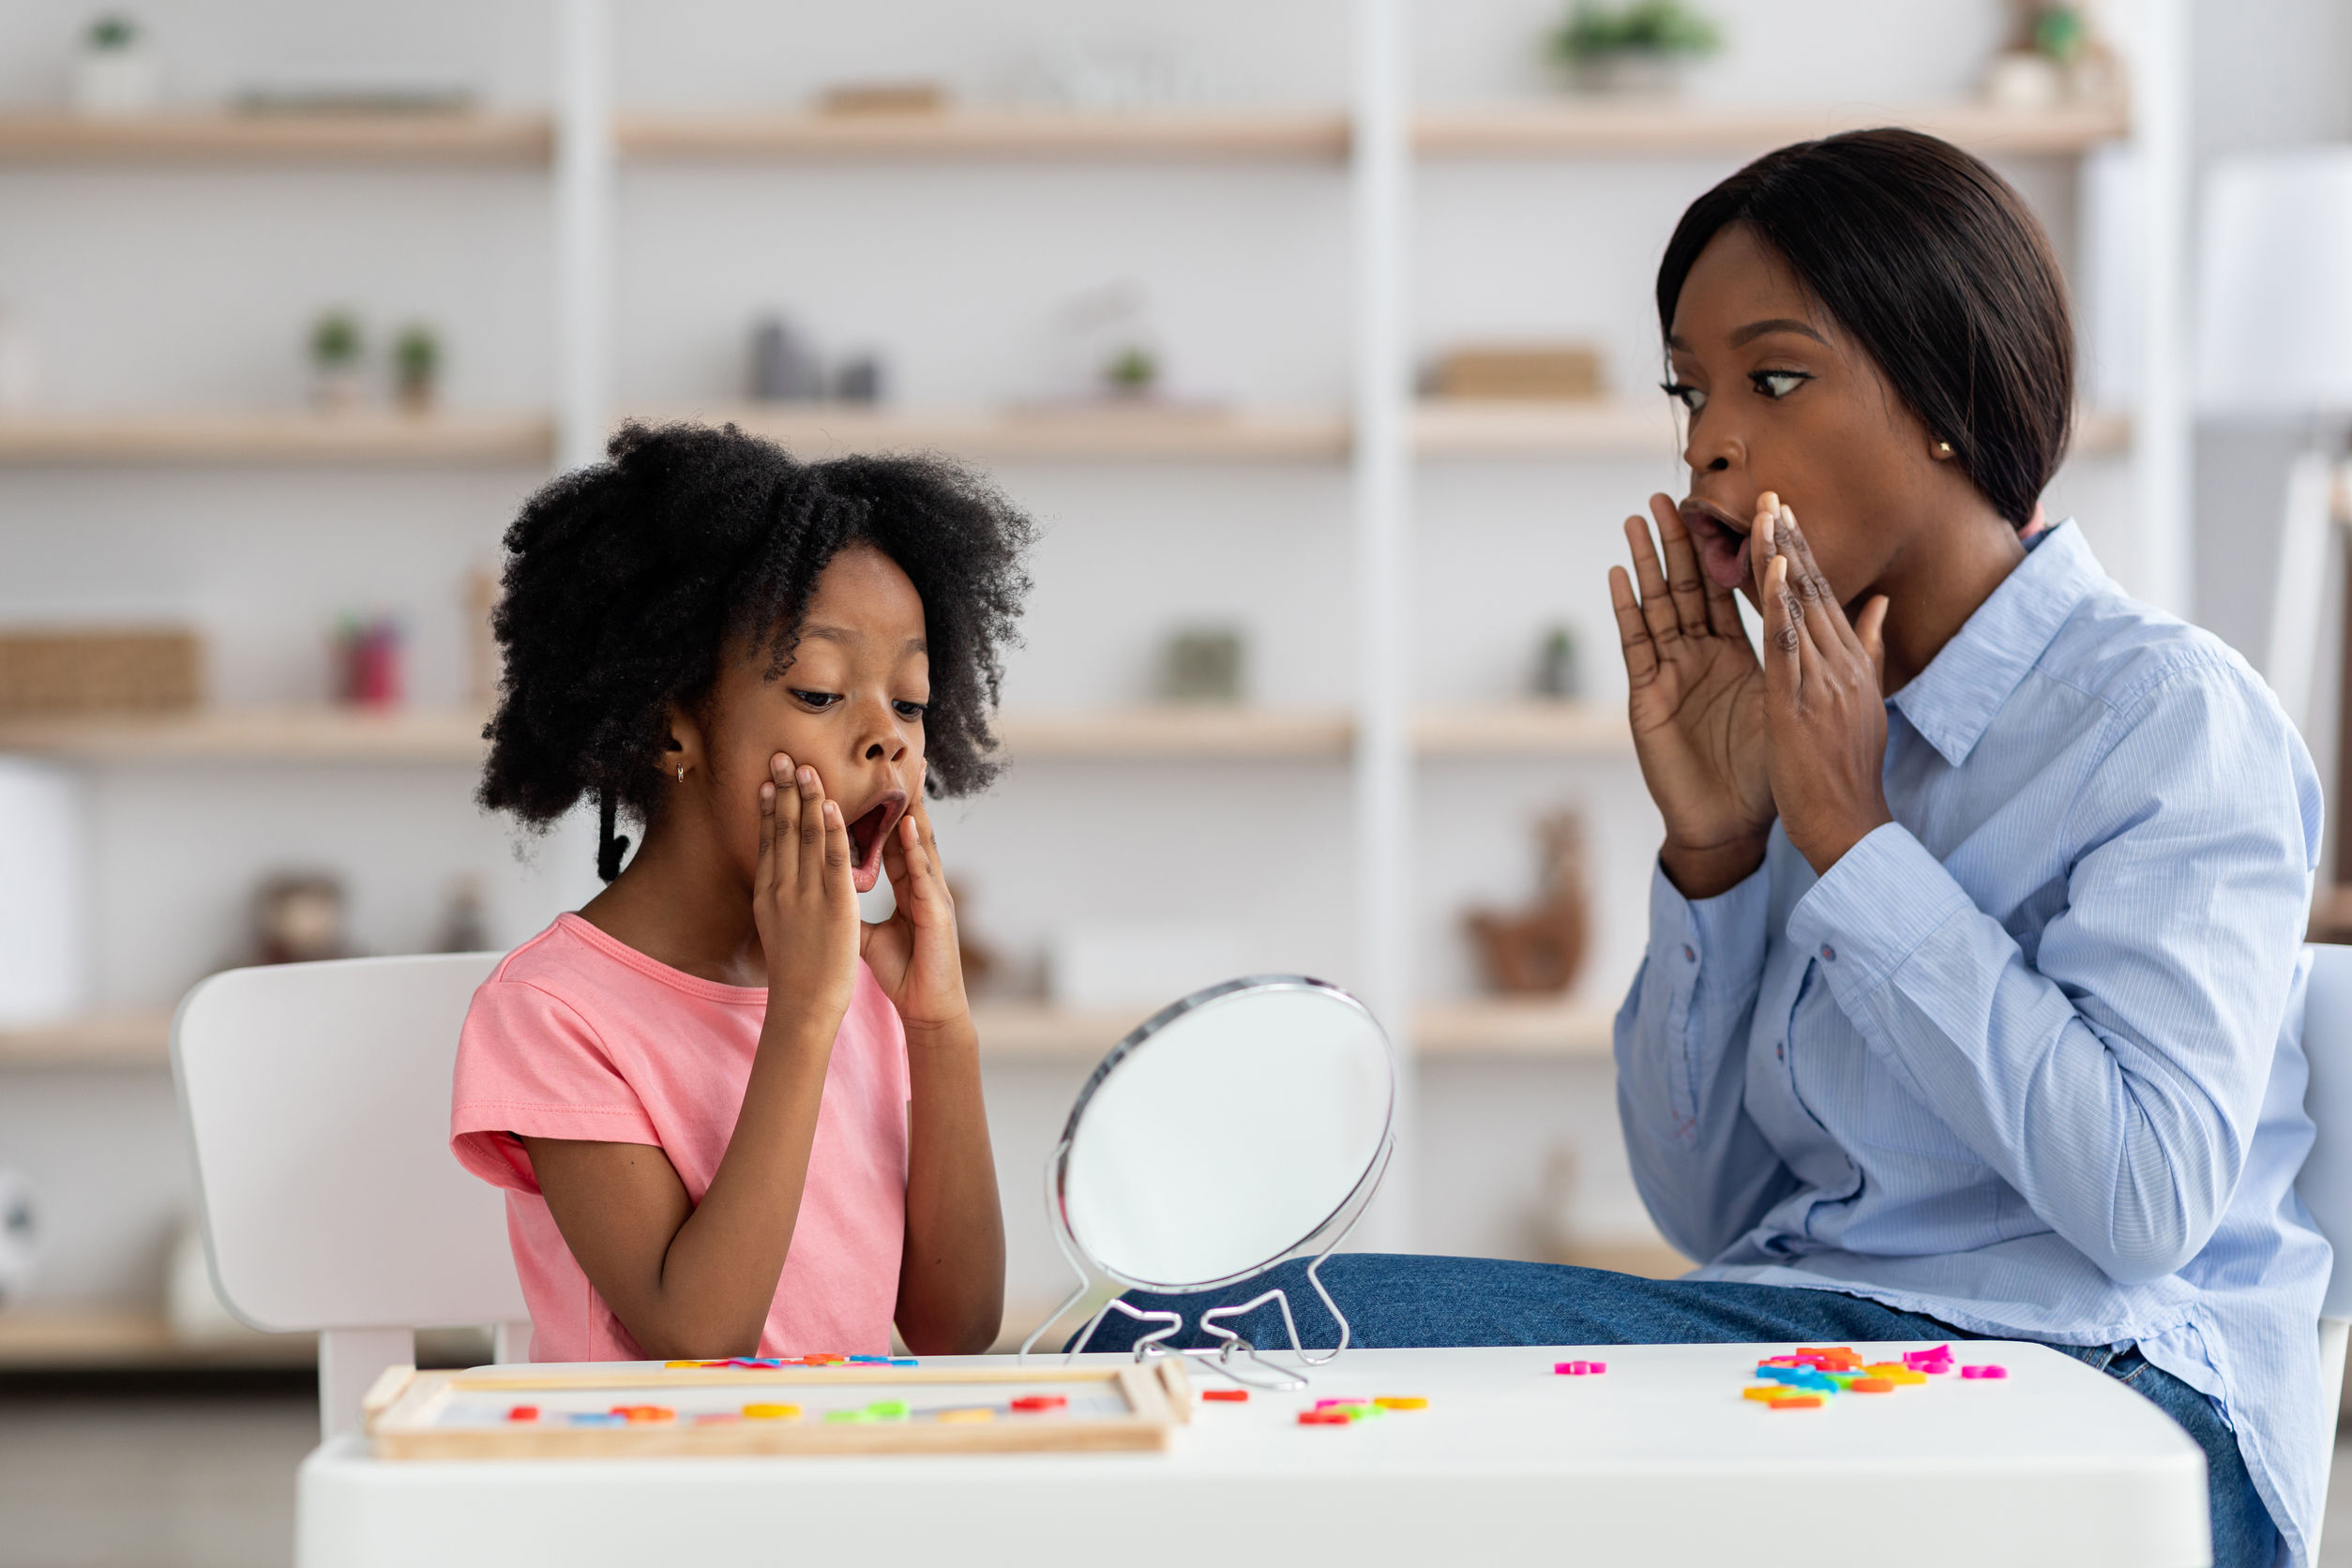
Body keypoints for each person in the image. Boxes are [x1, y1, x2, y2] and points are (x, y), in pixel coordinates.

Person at [1088, 129, 2325, 1568]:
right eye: (1690, 392)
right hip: (1821, 1350)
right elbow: (1709, 1211)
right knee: (1196, 1334)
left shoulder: (2167, 717)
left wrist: (1857, 845)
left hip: (2109, 1397)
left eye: (1773, 378)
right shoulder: (1805, 715)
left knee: (1245, 1349)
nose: (1706, 443)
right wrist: (1719, 851)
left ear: (1945, 389)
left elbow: (2149, 1201)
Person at [450, 422, 1032, 1363]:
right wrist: (803, 1015)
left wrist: (940, 1030)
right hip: (647, 1492)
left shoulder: (863, 991)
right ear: (672, 729)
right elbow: (696, 1335)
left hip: (830, 1489)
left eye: (912, 703)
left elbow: (953, 1328)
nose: (890, 738)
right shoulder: (553, 1014)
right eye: (819, 692)